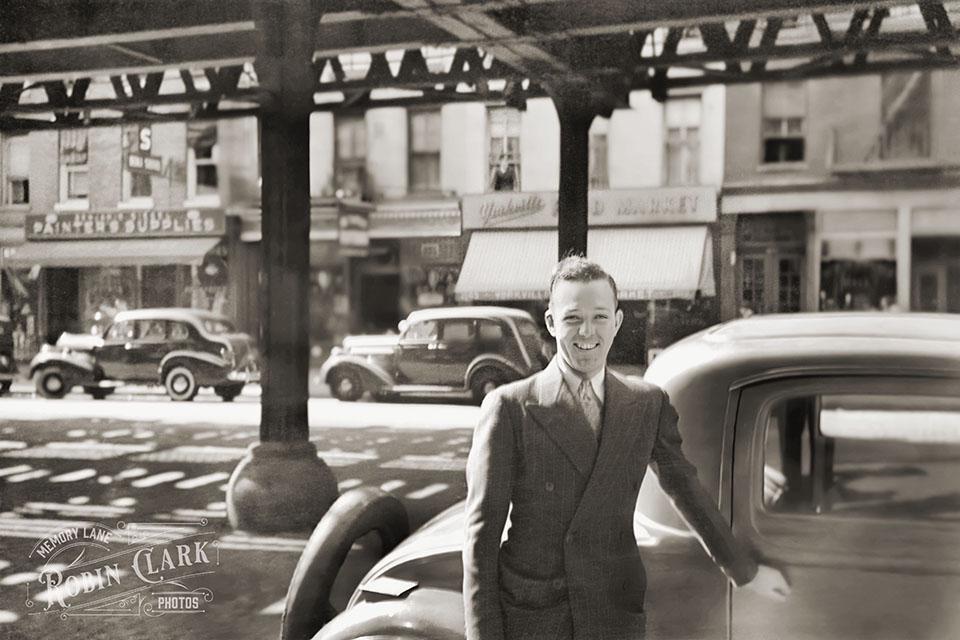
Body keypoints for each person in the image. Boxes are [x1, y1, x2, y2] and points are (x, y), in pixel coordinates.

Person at [462, 255, 789, 640]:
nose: (587, 331)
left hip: (613, 612)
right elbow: (480, 542)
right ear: (551, 324)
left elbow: (687, 490)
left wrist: (744, 572)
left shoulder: (647, 403)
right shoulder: (509, 407)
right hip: (536, 617)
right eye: (572, 318)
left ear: (617, 322)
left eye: (600, 317)